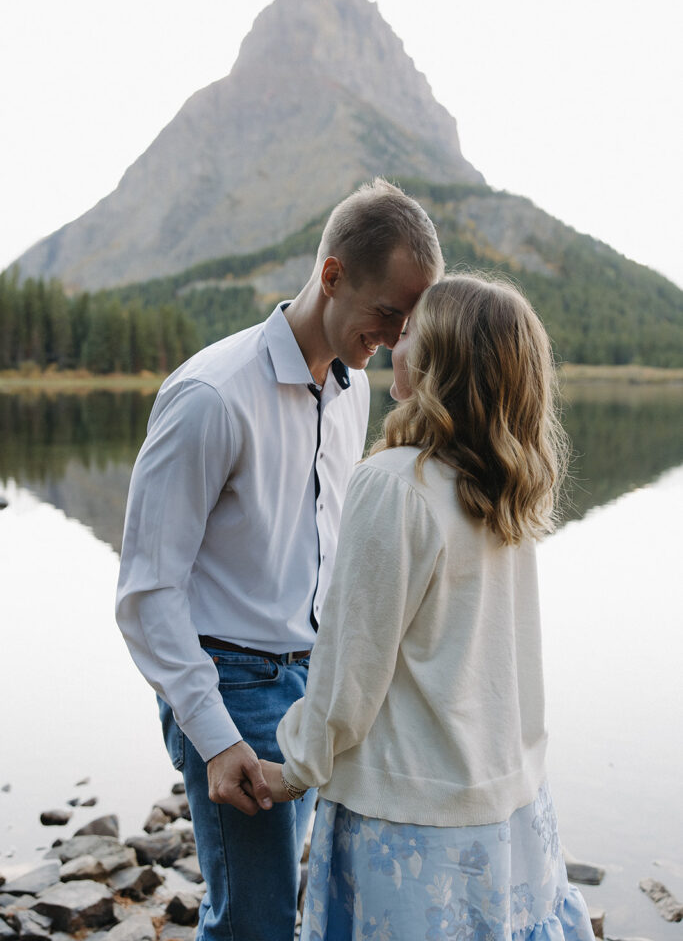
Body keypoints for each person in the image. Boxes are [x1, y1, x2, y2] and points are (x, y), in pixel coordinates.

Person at [115, 177, 444, 941]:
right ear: (331, 276)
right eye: (387, 312)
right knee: (255, 922)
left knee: (295, 903)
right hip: (233, 684)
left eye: (410, 318)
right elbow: (147, 591)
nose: (397, 337)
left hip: (316, 683)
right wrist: (215, 734)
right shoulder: (209, 396)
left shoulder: (353, 389)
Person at [262, 274, 595, 941]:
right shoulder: (503, 488)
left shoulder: (394, 485)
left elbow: (348, 672)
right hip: (512, 806)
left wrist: (293, 770)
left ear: (442, 361)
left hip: (410, 822)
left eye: (410, 331)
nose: (392, 340)